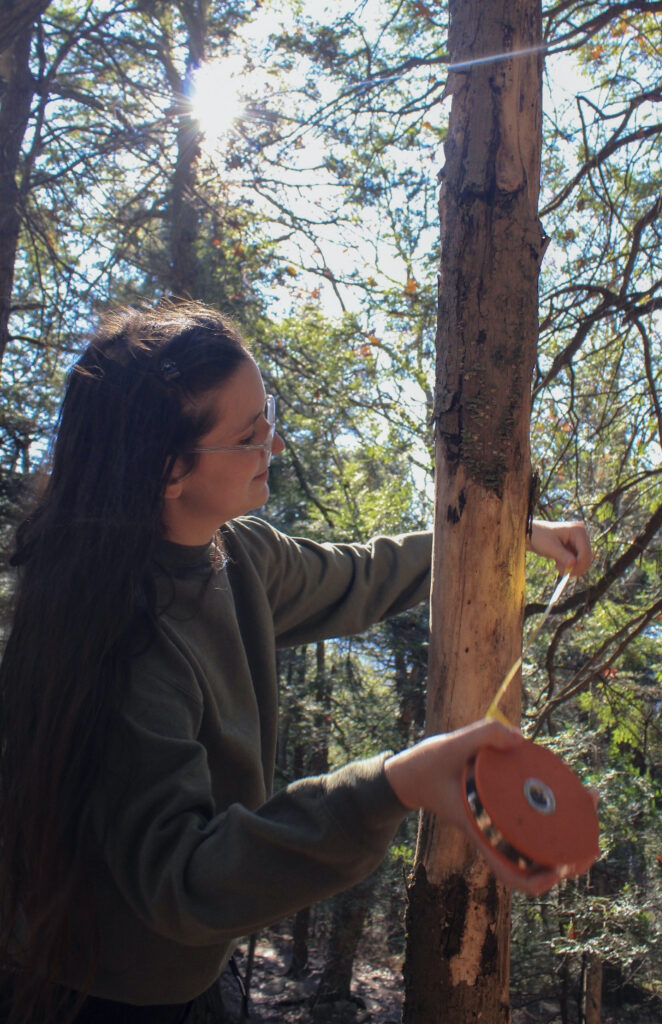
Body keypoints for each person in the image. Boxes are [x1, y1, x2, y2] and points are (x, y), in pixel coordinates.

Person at [0, 301, 592, 1023]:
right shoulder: (120, 641)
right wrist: (395, 784)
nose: (273, 447)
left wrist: (511, 537)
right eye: (249, 436)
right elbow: (186, 880)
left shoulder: (236, 552)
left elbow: (358, 576)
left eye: (268, 415)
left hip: (192, 979)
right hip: (98, 995)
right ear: (168, 472)